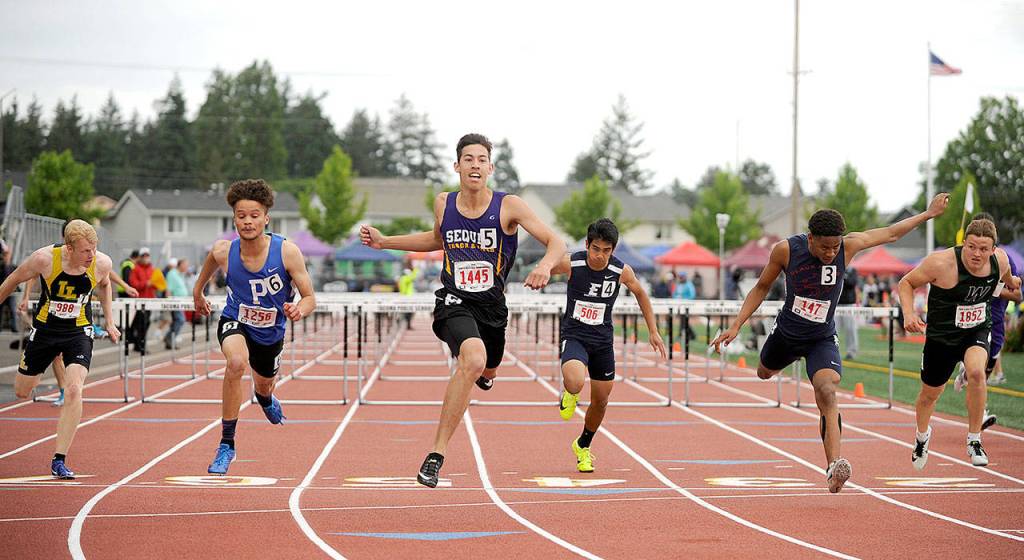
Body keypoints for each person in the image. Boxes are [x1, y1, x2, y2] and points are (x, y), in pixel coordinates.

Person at [360, 133, 565, 488]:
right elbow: (438, 240)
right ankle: (436, 455)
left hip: (493, 307)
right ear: (457, 166)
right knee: (471, 359)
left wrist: (545, 266)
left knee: (488, 366)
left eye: (481, 159)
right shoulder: (444, 203)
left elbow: (556, 241)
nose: (475, 165)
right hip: (453, 300)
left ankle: (487, 372)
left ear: (490, 167)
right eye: (468, 159)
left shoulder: (509, 206)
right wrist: (385, 243)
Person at [712, 193, 950, 493]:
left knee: (826, 390)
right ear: (810, 238)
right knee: (763, 372)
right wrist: (736, 325)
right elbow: (761, 286)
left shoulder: (846, 247)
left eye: (834, 247)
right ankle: (774, 365)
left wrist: (927, 215)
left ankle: (833, 467)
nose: (830, 253)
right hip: (786, 333)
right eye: (824, 247)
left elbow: (889, 233)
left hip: (820, 337)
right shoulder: (785, 250)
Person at [193, 179, 316, 475]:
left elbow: (310, 297)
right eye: (241, 216)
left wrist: (298, 308)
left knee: (264, 383)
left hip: (271, 331)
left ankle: (264, 397)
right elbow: (210, 261)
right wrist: (198, 293)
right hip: (235, 318)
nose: (247, 222)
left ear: (266, 218)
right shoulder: (225, 251)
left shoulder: (287, 252)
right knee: (236, 363)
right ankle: (227, 444)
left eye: (254, 215)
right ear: (234, 218)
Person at [0, 219, 121, 478]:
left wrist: (109, 321)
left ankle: (59, 458)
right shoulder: (44, 259)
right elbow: (13, 279)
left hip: (78, 331)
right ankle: (40, 366)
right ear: (68, 248)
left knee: (74, 389)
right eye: (85, 251)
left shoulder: (101, 263)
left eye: (94, 249)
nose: (92, 255)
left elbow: (104, 285)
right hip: (44, 331)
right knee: (23, 391)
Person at [902, 218, 1019, 469]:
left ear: (993, 249)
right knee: (929, 395)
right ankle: (922, 437)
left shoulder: (1001, 260)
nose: (977, 254)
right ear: (963, 243)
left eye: (983, 249)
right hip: (941, 337)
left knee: (977, 373)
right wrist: (909, 314)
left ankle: (974, 439)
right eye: (971, 247)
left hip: (975, 329)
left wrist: (1012, 283)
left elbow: (1007, 276)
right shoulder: (941, 263)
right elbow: (906, 283)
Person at [552, 219, 666, 472]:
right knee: (575, 381)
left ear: (613, 250)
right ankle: (570, 393)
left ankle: (583, 445)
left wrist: (653, 331)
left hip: (602, 341)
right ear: (587, 244)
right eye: (596, 249)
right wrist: (539, 272)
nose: (600, 256)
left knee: (601, 401)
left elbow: (641, 294)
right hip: (575, 335)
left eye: (606, 251)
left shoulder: (620, 271)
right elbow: (545, 267)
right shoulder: (573, 262)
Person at [128, 248, 156, 353]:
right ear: (140, 257)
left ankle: (138, 343)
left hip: (150, 301)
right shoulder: (135, 269)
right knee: (141, 324)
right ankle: (140, 345)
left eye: (147, 256)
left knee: (147, 323)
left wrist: (155, 284)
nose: (145, 258)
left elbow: (156, 285)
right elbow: (133, 284)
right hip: (139, 301)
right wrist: (145, 284)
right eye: (143, 256)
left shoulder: (152, 269)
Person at [164, 258, 190, 349]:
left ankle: (170, 340)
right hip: (175, 302)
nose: (187, 267)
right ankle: (168, 337)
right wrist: (169, 303)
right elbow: (169, 289)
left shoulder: (180, 275)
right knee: (180, 320)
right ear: (180, 264)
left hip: (181, 302)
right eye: (185, 265)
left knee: (177, 321)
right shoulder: (172, 274)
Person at [836, 266, 860, 360]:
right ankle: (833, 351)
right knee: (834, 330)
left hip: (849, 304)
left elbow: (852, 283)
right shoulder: (836, 267)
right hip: (836, 304)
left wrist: (842, 276)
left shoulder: (852, 270)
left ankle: (852, 351)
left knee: (850, 329)